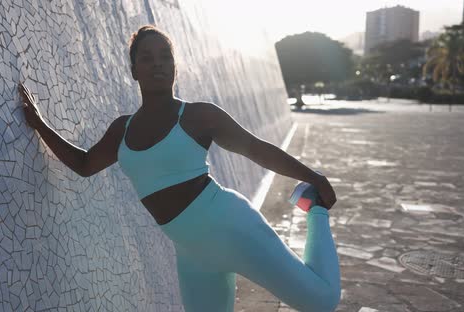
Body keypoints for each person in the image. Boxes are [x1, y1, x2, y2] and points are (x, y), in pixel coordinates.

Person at [19, 25, 340, 312]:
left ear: (175, 66)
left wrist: (312, 177)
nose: (157, 63)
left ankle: (314, 209)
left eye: (165, 56)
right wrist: (39, 124)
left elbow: (256, 149)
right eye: (147, 58)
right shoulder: (122, 129)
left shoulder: (199, 116)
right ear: (134, 70)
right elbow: (85, 164)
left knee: (321, 302)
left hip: (232, 227)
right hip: (192, 254)